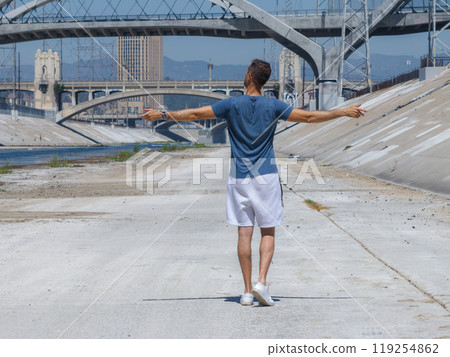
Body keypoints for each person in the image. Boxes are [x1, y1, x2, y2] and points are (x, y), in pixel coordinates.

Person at [140, 58, 366, 307]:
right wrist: (342, 111)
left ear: (248, 75)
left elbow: (194, 113)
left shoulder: (231, 104)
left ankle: (247, 292)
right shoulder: (273, 105)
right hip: (266, 177)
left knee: (244, 233)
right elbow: (309, 117)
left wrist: (161, 114)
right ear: (263, 80)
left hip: (239, 177)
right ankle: (262, 283)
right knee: (267, 231)